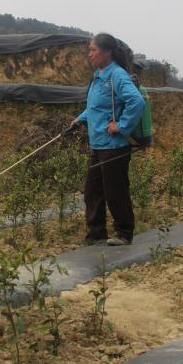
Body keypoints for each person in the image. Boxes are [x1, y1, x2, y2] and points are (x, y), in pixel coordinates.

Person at [70, 33, 146, 246]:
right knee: (92, 192)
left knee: (115, 192)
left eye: (93, 50)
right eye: (90, 51)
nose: (90, 55)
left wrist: (121, 126)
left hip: (115, 146)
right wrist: (80, 119)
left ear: (107, 52)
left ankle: (124, 233)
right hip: (98, 145)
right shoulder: (98, 76)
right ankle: (96, 233)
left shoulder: (117, 76)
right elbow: (95, 107)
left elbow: (136, 102)